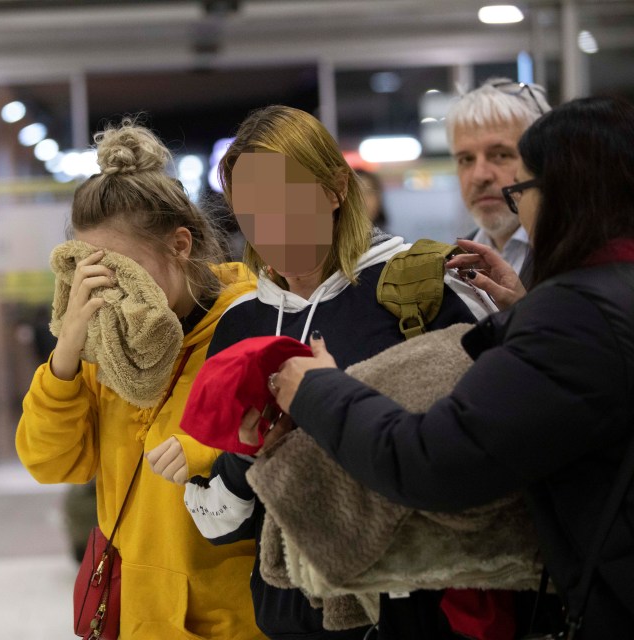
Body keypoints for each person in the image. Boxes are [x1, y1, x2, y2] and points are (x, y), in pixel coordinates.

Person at [269, 95, 634, 639]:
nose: (489, 181)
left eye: (514, 176)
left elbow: (432, 460)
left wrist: (320, 389)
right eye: (465, 158)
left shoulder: (573, 313)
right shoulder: (592, 298)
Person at [165, 105, 495, 640]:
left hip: (418, 611)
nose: (267, 224)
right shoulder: (239, 325)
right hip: (289, 616)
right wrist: (243, 456)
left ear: (336, 189)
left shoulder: (419, 286)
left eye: (283, 199)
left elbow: (498, 440)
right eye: (249, 209)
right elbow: (214, 524)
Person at [15, 119, 263, 640]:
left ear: (180, 245)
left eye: (127, 270)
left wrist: (207, 451)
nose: (116, 291)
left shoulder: (248, 325)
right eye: (96, 271)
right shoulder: (105, 345)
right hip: (135, 615)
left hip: (232, 617)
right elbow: (52, 463)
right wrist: (66, 355)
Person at [448, 77, 551, 286]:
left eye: (500, 155)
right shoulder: (450, 266)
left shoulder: (574, 258)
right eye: (466, 159)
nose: (480, 176)